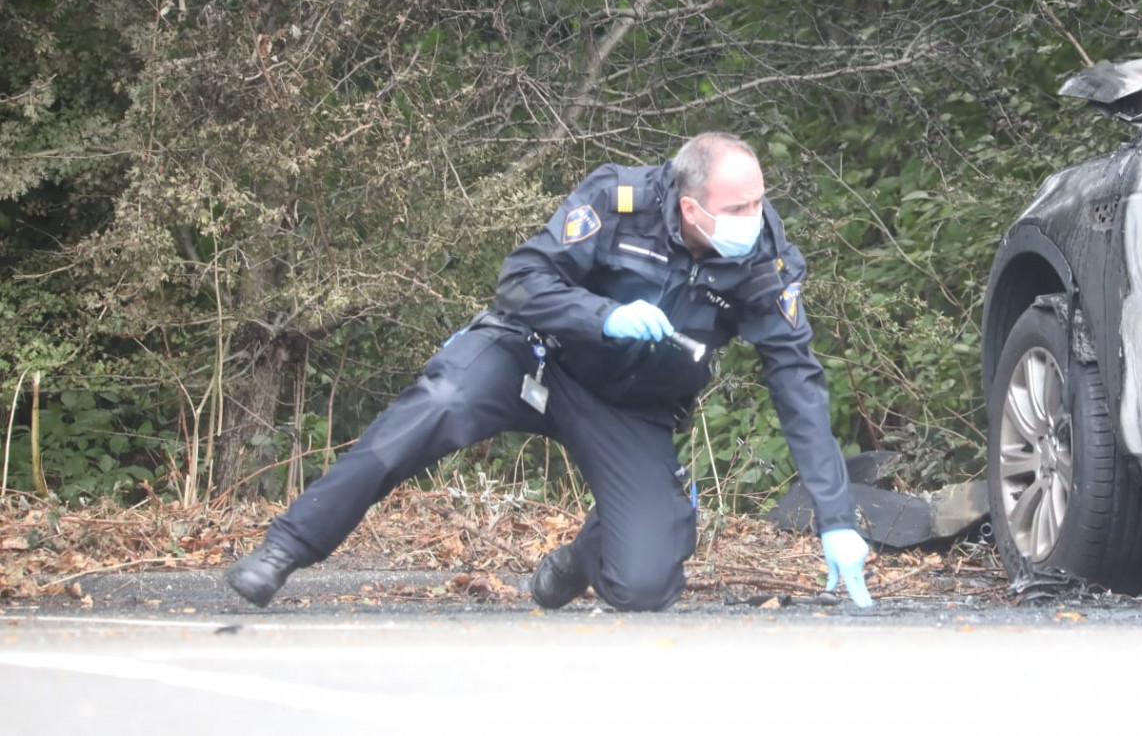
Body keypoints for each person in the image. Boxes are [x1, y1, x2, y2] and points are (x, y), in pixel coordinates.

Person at [225, 132, 873, 611]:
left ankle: (578, 561)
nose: (751, 221)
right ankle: (286, 548)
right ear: (687, 204)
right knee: (436, 404)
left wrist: (836, 516)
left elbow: (797, 380)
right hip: (532, 356)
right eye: (735, 209)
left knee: (645, 584)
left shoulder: (767, 259)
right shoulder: (617, 200)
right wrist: (601, 315)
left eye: (758, 203)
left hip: (630, 404)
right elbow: (521, 282)